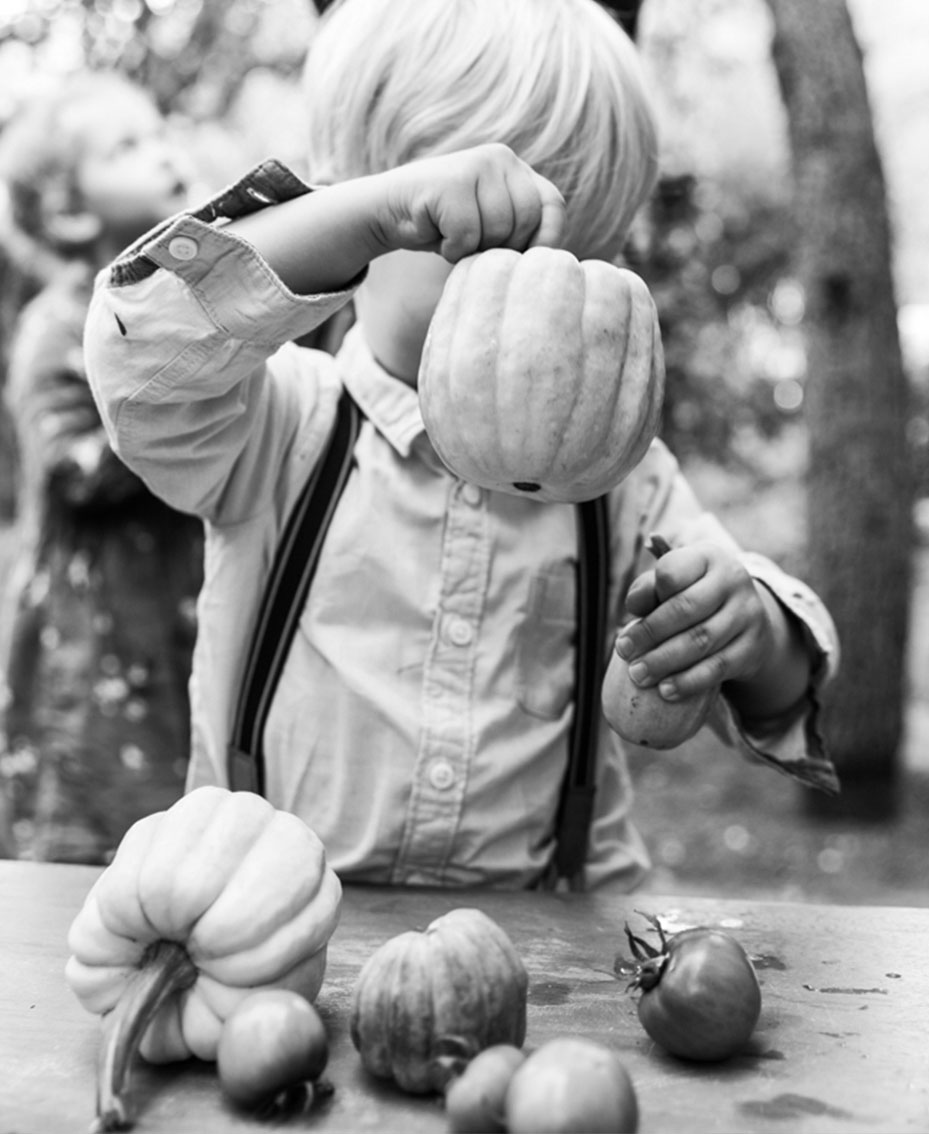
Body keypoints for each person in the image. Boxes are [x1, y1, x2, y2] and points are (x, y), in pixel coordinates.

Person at [83, 0, 839, 891]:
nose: (546, 301)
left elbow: (784, 699)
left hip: (554, 956)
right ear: (376, 218)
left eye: (583, 264)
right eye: (494, 253)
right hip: (273, 939)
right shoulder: (278, 429)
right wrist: (358, 216)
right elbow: (141, 348)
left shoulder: (627, 486)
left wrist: (747, 633)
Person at [0, 72, 205, 863]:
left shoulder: (186, 309)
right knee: (91, 836)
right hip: (91, 643)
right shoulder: (56, 325)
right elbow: (74, 468)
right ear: (70, 209)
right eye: (127, 147)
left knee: (182, 830)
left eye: (159, 132)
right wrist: (195, 390)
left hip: (175, 618)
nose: (162, 154)